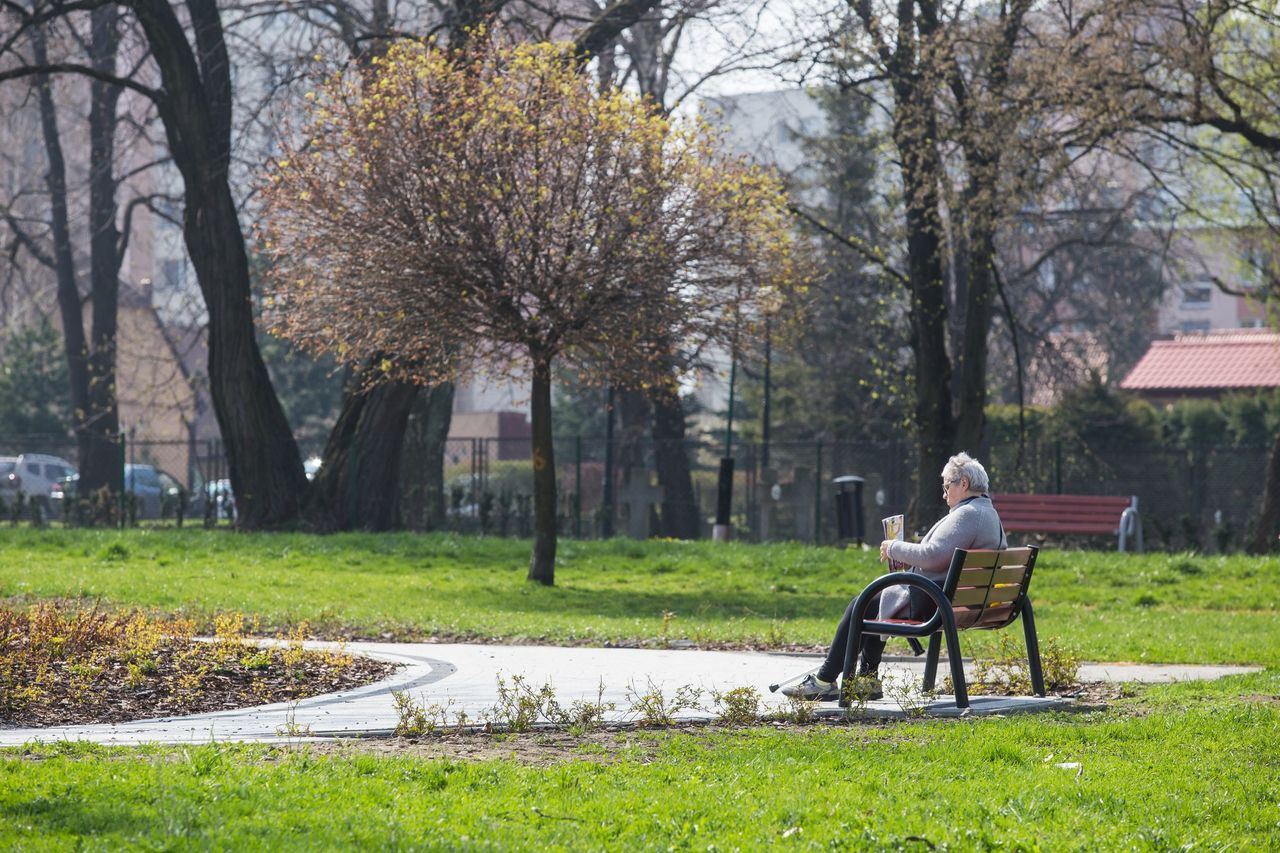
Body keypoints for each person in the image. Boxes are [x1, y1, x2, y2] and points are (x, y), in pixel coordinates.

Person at [781, 452, 1006, 701]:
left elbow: (933, 556)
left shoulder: (967, 514)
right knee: (876, 599)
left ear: (963, 483)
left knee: (861, 604)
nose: (944, 494)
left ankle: (824, 681)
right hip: (961, 598)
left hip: (934, 601)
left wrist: (893, 547)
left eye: (946, 486)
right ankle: (866, 679)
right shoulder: (988, 513)